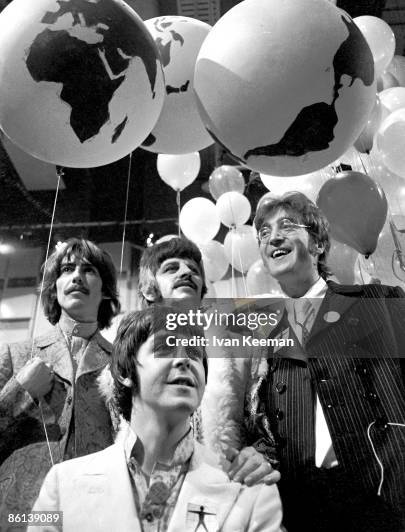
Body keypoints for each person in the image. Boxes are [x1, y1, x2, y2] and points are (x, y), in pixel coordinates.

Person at [209, 191, 405, 531]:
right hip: (305, 512)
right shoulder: (264, 344)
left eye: (286, 225)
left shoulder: (381, 301)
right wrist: (257, 455)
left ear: (317, 244)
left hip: (389, 496)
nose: (273, 237)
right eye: (264, 233)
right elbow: (265, 432)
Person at [30, 307, 283, 532]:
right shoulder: (62, 485)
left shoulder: (251, 491)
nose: (185, 360)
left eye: (195, 353)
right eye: (165, 347)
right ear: (125, 372)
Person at [137, 236, 280, 487]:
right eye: (172, 268)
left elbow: (264, 423)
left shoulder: (240, 350)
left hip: (223, 489)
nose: (186, 273)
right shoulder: (130, 354)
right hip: (153, 495)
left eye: (194, 270)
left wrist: (259, 454)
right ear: (150, 289)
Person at [0, 238, 120, 528]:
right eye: (67, 269)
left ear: (105, 291)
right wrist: (21, 390)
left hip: (95, 514)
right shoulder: (15, 354)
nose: (77, 276)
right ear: (54, 287)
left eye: (88, 270)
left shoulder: (122, 363)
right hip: (21, 512)